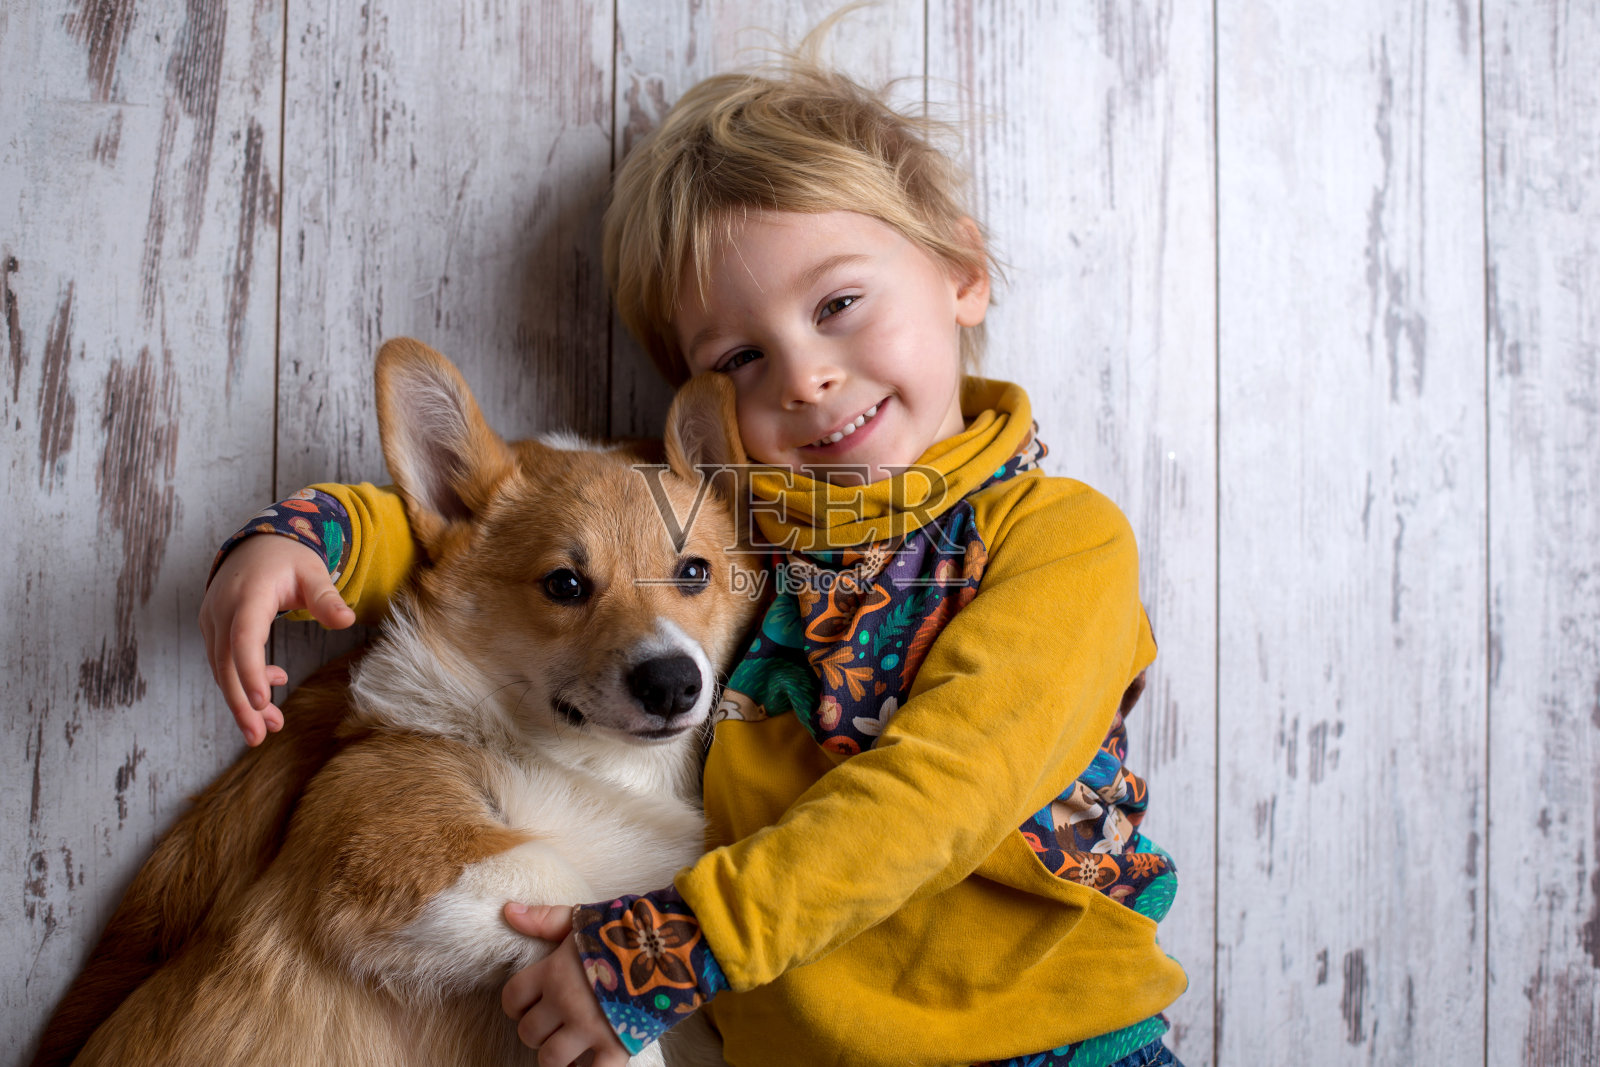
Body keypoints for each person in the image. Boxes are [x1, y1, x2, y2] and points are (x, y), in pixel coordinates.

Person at [199, 40, 1187, 1067]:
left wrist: (670, 948)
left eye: (837, 303)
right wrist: (300, 541)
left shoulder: (1058, 536)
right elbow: (500, 519)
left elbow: (943, 789)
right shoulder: (722, 507)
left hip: (1040, 1035)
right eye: (741, 356)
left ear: (961, 271)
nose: (803, 376)